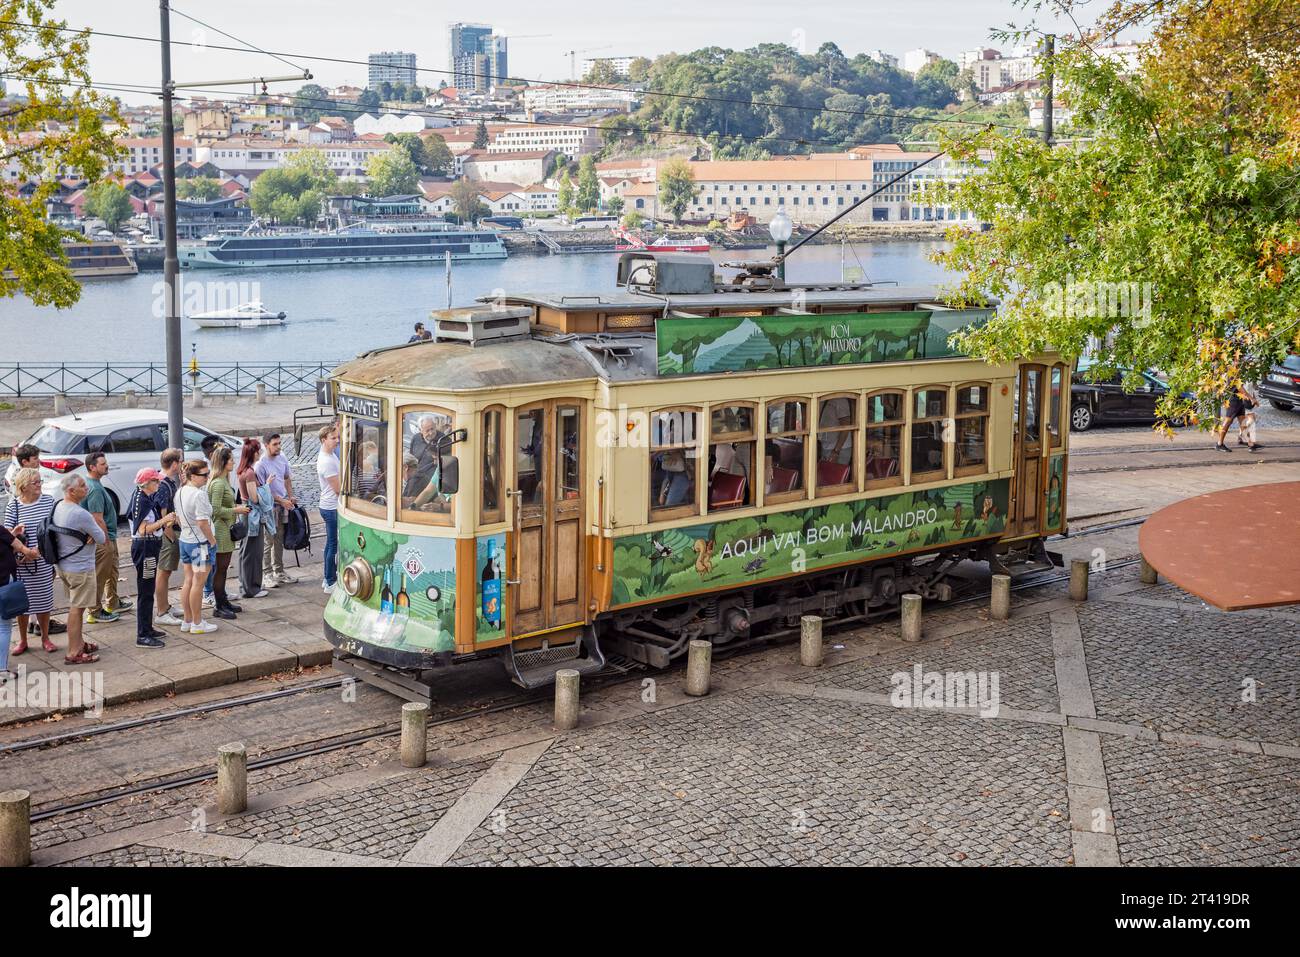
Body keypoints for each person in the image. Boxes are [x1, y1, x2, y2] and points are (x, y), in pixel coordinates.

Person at [3, 445, 65, 638]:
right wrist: (22, 552)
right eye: (34, 483)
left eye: (39, 482)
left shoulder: (48, 502)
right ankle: (23, 641)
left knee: (44, 602)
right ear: (23, 487)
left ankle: (45, 638)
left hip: (42, 561)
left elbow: (54, 530)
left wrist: (40, 551)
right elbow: (7, 536)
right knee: (22, 604)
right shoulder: (14, 506)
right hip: (22, 564)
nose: (39, 485)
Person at [52, 474, 106, 664]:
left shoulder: (58, 506)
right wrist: (93, 530)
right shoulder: (80, 513)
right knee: (77, 609)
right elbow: (101, 538)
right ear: (71, 491)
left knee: (77, 607)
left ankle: (80, 643)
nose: (87, 488)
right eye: (83, 486)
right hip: (80, 568)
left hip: (63, 566)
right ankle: (74, 652)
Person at [126, 468, 173, 648]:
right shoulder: (142, 500)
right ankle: (143, 634)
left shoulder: (143, 497)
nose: (159, 484)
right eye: (156, 481)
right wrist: (164, 520)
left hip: (149, 546)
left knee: (148, 588)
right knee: (145, 590)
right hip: (145, 547)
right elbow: (143, 529)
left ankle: (147, 627)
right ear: (147, 483)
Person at [81, 450, 128, 623]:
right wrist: (106, 541)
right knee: (100, 575)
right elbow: (97, 519)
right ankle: (95, 610)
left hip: (108, 537)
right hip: (103, 540)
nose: (106, 465)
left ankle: (113, 602)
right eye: (102, 464)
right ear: (92, 467)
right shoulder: (94, 489)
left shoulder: (95, 484)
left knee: (112, 571)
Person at [175, 459, 218, 635]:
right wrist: (212, 541)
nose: (207, 477)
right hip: (200, 544)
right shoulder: (198, 494)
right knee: (198, 584)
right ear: (192, 476)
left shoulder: (180, 492)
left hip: (185, 540)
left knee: (188, 581)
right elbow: (202, 522)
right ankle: (197, 623)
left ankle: (187, 620)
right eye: (204, 475)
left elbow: (178, 518)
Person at [207, 445, 249, 620]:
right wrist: (236, 510)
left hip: (226, 529)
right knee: (220, 570)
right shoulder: (217, 484)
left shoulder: (223, 480)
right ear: (223, 462)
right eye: (230, 459)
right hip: (221, 531)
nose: (233, 461)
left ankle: (223, 601)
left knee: (223, 569)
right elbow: (215, 510)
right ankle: (219, 605)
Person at [1, 518, 41, 682]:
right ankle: (1, 670)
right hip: (3, 582)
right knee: (3, 627)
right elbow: (20, 547)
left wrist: (11, 533)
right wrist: (31, 552)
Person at [255, 433, 297, 586]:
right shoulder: (261, 465)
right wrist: (281, 500)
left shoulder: (282, 458)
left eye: (279, 443)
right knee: (268, 541)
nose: (278, 447)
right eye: (275, 444)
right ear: (266, 445)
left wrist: (290, 496)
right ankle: (266, 574)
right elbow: (261, 490)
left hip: (283, 505)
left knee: (279, 538)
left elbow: (286, 478)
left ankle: (279, 571)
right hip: (269, 508)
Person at [153, 448, 185, 627]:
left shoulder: (167, 482)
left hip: (169, 533)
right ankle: (162, 611)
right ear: (174, 464)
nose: (182, 464)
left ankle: (166, 606)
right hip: (167, 536)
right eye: (180, 461)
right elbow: (163, 517)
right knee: (163, 572)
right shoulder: (163, 485)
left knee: (165, 571)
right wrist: (172, 537)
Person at [236, 438, 270, 600]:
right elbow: (255, 498)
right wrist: (267, 485)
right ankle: (252, 588)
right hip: (252, 515)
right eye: (259, 451)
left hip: (246, 514)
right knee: (253, 552)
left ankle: (245, 585)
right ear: (254, 453)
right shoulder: (249, 473)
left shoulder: (242, 470)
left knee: (245, 551)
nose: (260, 453)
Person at [316, 424, 340, 594]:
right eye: (333, 438)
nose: (337, 441)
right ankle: (331, 581)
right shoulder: (327, 461)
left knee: (330, 544)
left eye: (337, 437)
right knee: (333, 545)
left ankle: (327, 578)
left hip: (328, 506)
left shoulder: (329, 455)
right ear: (324, 440)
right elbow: (338, 489)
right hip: (331, 508)